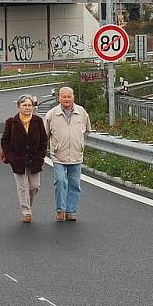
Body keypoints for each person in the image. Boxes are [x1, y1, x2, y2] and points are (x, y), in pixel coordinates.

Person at [44, 86, 91, 222]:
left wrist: (79, 143)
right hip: (58, 155)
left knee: (74, 184)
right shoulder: (52, 114)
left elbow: (87, 130)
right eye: (64, 97)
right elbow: (45, 134)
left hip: (76, 155)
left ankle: (71, 211)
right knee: (60, 181)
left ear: (73, 97)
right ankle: (60, 209)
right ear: (59, 98)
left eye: (69, 96)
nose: (67, 99)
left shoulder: (81, 112)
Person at [0, 95, 48, 223]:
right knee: (22, 187)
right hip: (18, 159)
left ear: (33, 107)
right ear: (18, 107)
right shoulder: (12, 122)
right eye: (24, 105)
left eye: (29, 105)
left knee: (35, 186)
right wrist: (11, 157)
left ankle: (28, 205)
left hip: (34, 159)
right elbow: (5, 141)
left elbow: (44, 139)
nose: (27, 108)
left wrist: (41, 155)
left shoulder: (38, 121)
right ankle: (26, 212)